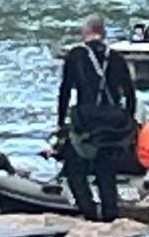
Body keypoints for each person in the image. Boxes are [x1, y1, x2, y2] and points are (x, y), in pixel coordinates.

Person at [56, 14, 137, 221]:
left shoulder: (76, 55)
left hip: (87, 119)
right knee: (106, 170)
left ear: (87, 31)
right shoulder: (116, 57)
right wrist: (128, 120)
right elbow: (130, 92)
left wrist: (61, 122)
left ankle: (88, 210)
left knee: (75, 167)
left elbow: (65, 90)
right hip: (113, 121)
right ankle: (110, 212)